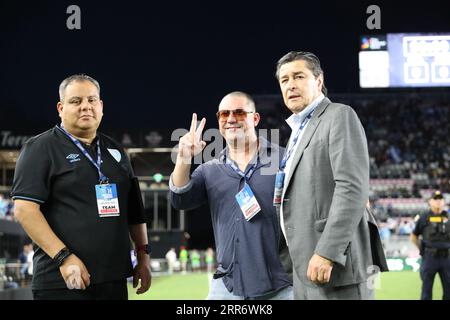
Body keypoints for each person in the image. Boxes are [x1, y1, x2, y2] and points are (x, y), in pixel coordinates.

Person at [11, 74, 151, 300]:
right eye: (76, 101)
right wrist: (63, 258)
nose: (86, 106)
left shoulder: (116, 151)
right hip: (62, 282)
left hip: (114, 281)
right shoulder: (41, 147)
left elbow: (135, 212)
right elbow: (24, 210)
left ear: (101, 106)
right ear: (60, 107)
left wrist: (143, 257)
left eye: (92, 100)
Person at [274, 51, 387, 300]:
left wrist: (327, 252)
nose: (290, 85)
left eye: (298, 76)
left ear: (319, 80)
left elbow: (352, 188)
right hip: (303, 269)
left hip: (334, 267)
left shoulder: (339, 115)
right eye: (284, 80)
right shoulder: (296, 131)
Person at [170, 91, 292, 300]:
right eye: (224, 114)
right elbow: (180, 200)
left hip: (281, 285)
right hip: (227, 287)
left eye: (239, 112)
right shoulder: (210, 170)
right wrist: (183, 158)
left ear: (255, 118)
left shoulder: (285, 159)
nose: (231, 119)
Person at [410, 190, 450, 300]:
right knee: (426, 291)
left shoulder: (449, 217)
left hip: (447, 258)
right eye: (435, 199)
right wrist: (422, 249)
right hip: (429, 257)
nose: (438, 201)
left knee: (449, 291)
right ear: (430, 201)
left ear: (444, 201)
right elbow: (413, 236)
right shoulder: (423, 218)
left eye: (440, 199)